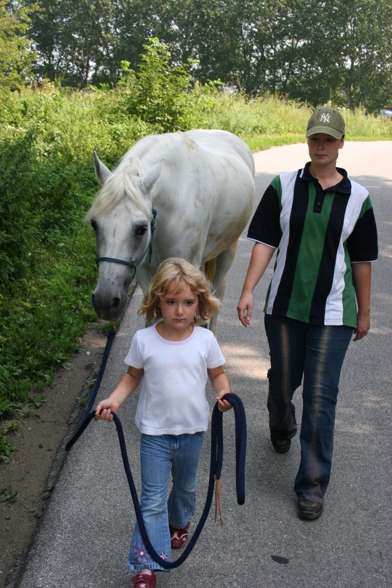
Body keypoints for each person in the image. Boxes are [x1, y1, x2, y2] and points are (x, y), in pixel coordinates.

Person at [237, 106, 378, 521]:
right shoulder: (283, 186)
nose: (321, 145)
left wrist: (365, 312)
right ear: (308, 140)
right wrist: (247, 290)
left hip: (335, 313)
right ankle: (281, 423)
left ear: (340, 144)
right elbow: (264, 241)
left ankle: (312, 486)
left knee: (321, 397)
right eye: (315, 138)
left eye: (329, 139)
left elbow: (362, 261)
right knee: (282, 381)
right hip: (283, 308)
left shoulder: (359, 200)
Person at [95, 258, 232, 588]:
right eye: (171, 302)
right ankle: (145, 565)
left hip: (193, 433)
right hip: (154, 435)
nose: (180, 311)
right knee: (151, 499)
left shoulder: (204, 340)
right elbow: (132, 376)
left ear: (199, 303)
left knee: (184, 489)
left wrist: (225, 393)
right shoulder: (144, 340)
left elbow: (217, 374)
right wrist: (114, 399)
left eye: (188, 302)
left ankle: (178, 521)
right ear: (157, 301)